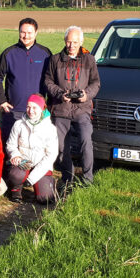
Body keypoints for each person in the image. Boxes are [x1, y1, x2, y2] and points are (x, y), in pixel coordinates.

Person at [44, 25, 101, 189]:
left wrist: (87, 94)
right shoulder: (55, 60)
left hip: (82, 109)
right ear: (64, 41)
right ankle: (67, 178)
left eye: (75, 42)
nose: (71, 45)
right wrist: (60, 93)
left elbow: (96, 83)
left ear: (81, 41)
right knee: (62, 147)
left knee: (85, 142)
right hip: (61, 109)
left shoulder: (89, 60)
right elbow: (48, 81)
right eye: (69, 42)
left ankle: (87, 180)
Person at [0, 18, 51, 145]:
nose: (26, 36)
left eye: (29, 33)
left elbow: (52, 79)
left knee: (35, 146)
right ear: (19, 32)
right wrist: (2, 101)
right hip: (13, 111)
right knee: (10, 146)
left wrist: (49, 104)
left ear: (36, 33)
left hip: (37, 112)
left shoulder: (45, 54)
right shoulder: (9, 53)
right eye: (23, 32)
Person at [4, 94, 59, 204]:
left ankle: (45, 184)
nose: (30, 111)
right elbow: (10, 145)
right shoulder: (18, 124)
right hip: (23, 162)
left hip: (41, 164)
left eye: (34, 107)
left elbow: (51, 155)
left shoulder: (50, 129)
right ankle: (16, 190)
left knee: (45, 199)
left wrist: (32, 178)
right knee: (16, 175)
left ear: (42, 108)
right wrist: (15, 156)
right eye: (28, 107)